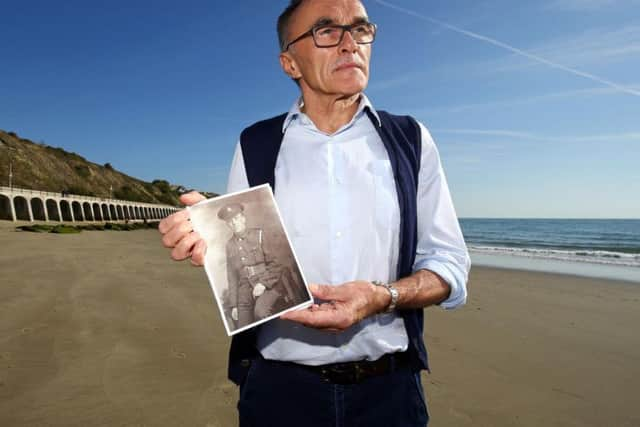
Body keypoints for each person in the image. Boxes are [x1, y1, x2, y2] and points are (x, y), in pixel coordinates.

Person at [159, 0, 470, 425]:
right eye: (327, 31)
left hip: (390, 394)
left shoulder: (411, 139)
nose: (349, 44)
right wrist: (208, 240)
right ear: (290, 63)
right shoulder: (256, 143)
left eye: (360, 30)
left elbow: (448, 263)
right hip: (278, 393)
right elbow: (243, 265)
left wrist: (384, 296)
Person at [217, 202, 303, 330]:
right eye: (230, 222)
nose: (234, 223)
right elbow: (232, 277)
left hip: (269, 283)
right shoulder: (229, 246)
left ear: (243, 218)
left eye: (236, 219)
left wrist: (263, 283)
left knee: (260, 313)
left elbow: (276, 264)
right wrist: (234, 305)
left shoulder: (259, 235)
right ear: (227, 225)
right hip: (245, 288)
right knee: (241, 326)